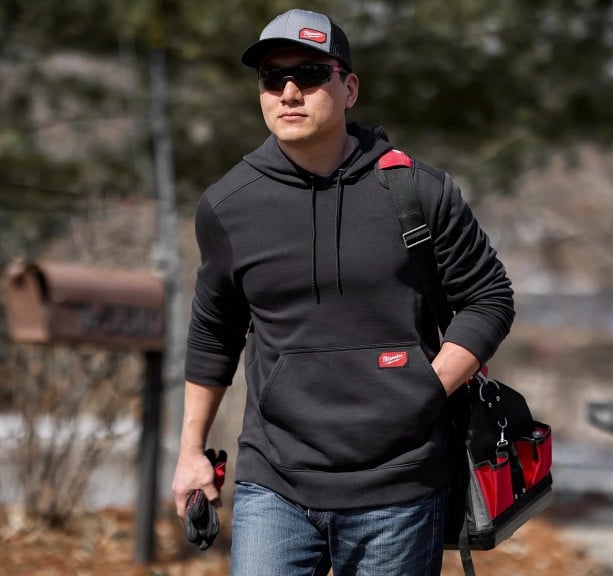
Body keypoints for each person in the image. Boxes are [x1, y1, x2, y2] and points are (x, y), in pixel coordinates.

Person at [170, 8, 515, 576]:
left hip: (399, 485)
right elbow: (214, 332)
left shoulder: (416, 191)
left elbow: (488, 297)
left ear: (348, 88)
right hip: (274, 482)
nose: (288, 92)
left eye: (309, 74)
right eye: (272, 78)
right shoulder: (229, 206)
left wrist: (423, 389)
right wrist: (189, 453)